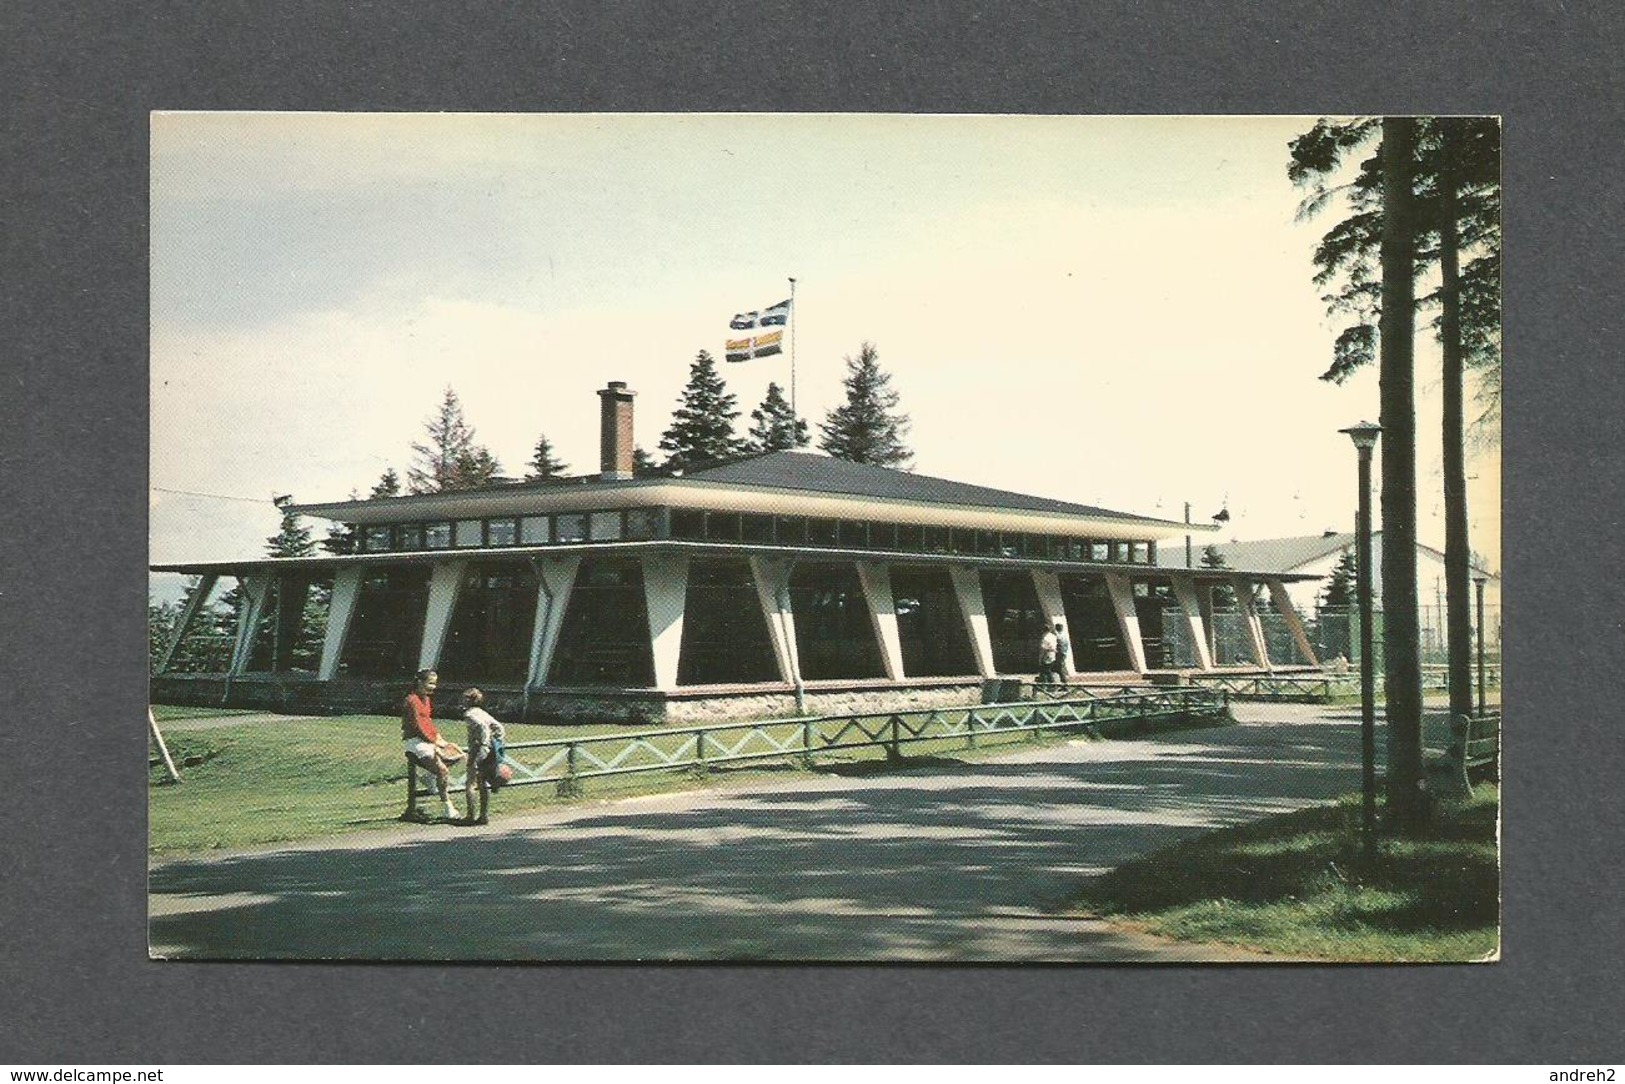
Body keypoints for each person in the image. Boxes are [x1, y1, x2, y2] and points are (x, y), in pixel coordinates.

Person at [400, 668, 459, 823]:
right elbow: (418, 726)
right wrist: (435, 742)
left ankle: (429, 777)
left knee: (456, 756)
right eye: (430, 683)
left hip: (427, 740)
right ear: (420, 682)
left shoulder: (426, 699)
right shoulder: (411, 700)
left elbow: (428, 722)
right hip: (415, 741)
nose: (433, 687)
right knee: (442, 770)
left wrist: (441, 740)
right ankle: (448, 807)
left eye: (434, 684)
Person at [461, 687, 507, 826]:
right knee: (482, 783)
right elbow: (499, 728)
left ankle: (470, 815)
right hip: (489, 750)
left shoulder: (469, 714)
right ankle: (483, 815)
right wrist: (497, 741)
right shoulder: (483, 713)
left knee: (471, 783)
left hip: (478, 749)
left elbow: (481, 727)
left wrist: (483, 742)